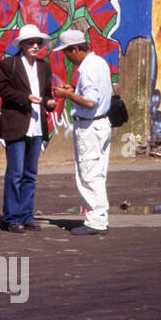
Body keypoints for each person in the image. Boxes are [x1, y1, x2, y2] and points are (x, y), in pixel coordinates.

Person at [0, 24, 57, 234]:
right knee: (15, 173)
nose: (35, 46)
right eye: (31, 42)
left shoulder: (44, 66)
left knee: (30, 174)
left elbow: (47, 93)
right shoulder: (8, 64)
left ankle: (26, 214)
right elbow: (3, 90)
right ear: (21, 44)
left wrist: (49, 103)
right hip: (17, 124)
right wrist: (26, 98)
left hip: (37, 126)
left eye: (38, 42)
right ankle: (12, 217)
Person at [52, 30, 113, 236]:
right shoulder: (100, 63)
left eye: (66, 53)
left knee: (88, 174)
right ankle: (100, 217)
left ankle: (96, 221)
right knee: (98, 173)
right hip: (102, 124)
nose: (66, 58)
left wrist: (67, 94)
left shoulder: (87, 69)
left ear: (75, 49)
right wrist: (74, 90)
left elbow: (89, 102)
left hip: (89, 127)